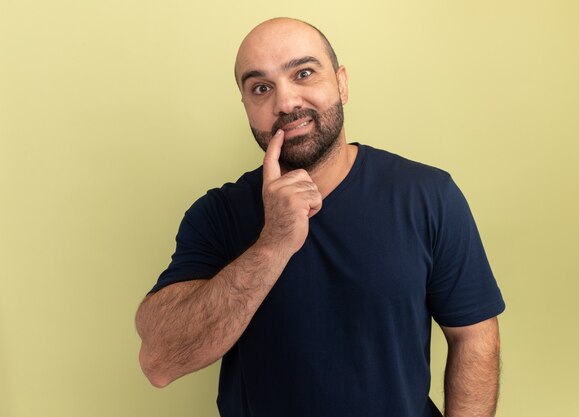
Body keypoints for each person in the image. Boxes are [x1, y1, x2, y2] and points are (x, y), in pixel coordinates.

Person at [135, 17, 505, 417]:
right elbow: (160, 360)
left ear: (341, 83)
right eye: (261, 88)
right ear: (246, 106)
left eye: (304, 73)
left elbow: (474, 338)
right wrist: (274, 243)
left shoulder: (429, 196)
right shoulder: (217, 214)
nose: (286, 102)